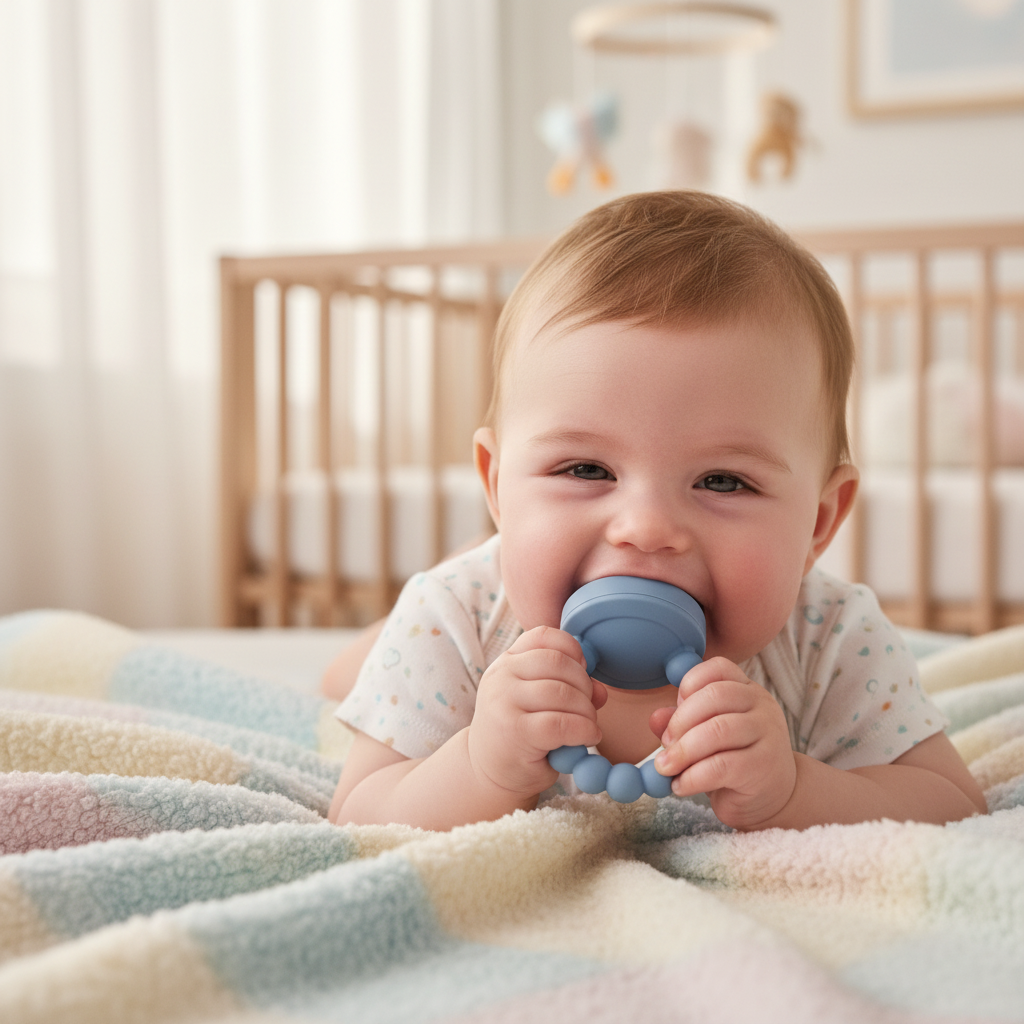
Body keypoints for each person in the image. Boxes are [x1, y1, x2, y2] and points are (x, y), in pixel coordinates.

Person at [327, 191, 986, 832]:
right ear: (497, 485)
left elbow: (950, 801)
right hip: (459, 602)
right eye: (586, 470)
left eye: (723, 481)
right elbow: (359, 808)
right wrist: (479, 767)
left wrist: (794, 789)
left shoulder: (831, 637)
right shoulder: (454, 617)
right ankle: (387, 629)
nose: (645, 528)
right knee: (349, 674)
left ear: (818, 522)